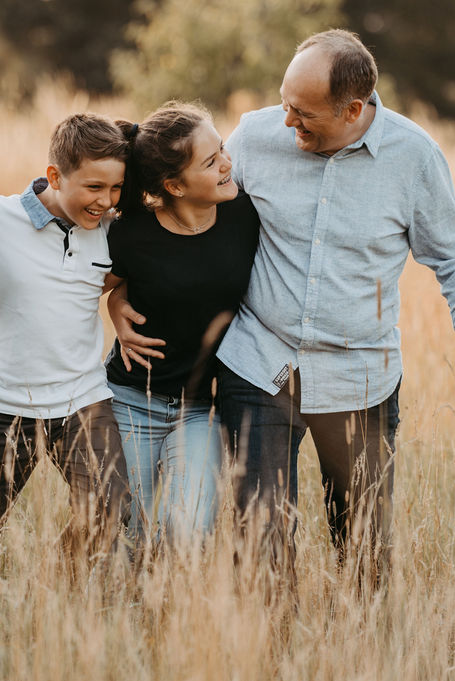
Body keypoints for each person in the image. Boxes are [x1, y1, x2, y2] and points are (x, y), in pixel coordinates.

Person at [116, 30, 455, 579]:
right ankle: (271, 654)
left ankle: (356, 652)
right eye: (283, 102)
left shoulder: (413, 157)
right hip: (260, 363)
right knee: (260, 537)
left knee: (364, 542)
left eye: (303, 113)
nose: (286, 121)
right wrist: (120, 290)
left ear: (353, 109)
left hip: (361, 374)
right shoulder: (251, 137)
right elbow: (185, 204)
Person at [0, 113, 131, 562]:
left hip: (82, 401)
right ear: (54, 175)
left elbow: (102, 285)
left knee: (109, 509)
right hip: (3, 404)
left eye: (115, 189)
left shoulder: (111, 231)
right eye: (93, 187)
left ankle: (53, 591)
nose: (105, 201)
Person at [104, 103, 260, 541]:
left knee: (188, 529)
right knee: (125, 534)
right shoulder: (131, 233)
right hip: (130, 399)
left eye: (223, 149)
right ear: (174, 184)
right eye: (211, 162)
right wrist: (115, 304)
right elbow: (75, 289)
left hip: (202, 410)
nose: (228, 163)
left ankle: (174, 607)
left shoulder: (244, 216)